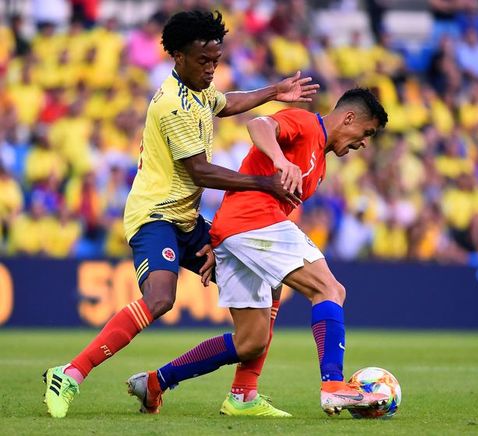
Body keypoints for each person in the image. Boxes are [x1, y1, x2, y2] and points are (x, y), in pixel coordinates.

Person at [43, 9, 319, 419]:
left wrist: (274, 91)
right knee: (159, 298)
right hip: (155, 216)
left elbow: (227, 104)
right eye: (203, 61)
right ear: (177, 57)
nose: (211, 69)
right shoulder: (173, 104)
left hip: (187, 221)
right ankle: (69, 373)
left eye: (216, 61)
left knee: (267, 279)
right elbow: (201, 171)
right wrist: (267, 182)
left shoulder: (200, 90)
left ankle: (241, 394)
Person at [127, 88, 390, 417]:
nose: (363, 143)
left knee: (251, 341)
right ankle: (333, 385)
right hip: (253, 223)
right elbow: (259, 125)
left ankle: (158, 382)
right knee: (330, 289)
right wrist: (280, 160)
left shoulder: (319, 165)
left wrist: (221, 239)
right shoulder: (307, 123)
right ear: (349, 118)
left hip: (237, 231)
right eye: (366, 133)